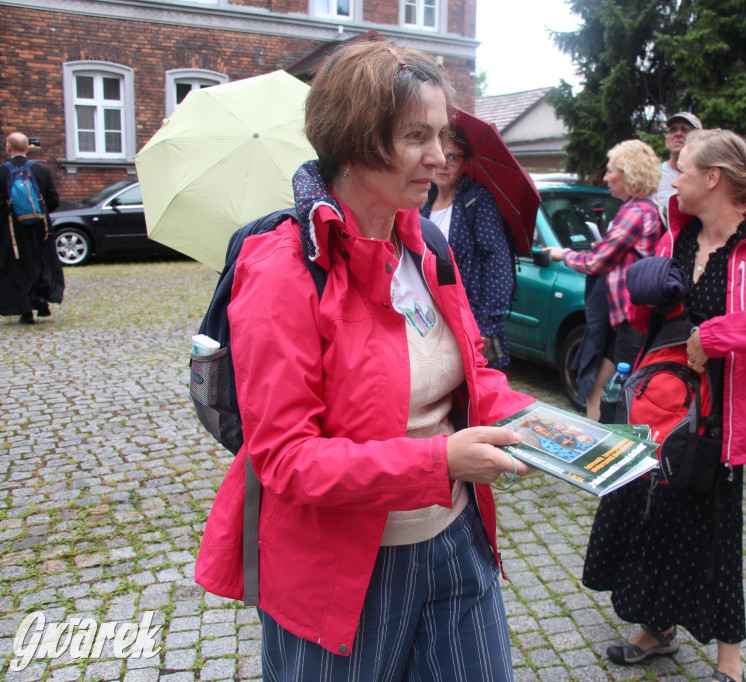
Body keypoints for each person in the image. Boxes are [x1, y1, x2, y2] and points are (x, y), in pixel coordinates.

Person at [193, 42, 537, 680]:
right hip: (342, 574)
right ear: (355, 138)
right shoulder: (284, 267)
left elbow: (473, 372)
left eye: (441, 135)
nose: (439, 157)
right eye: (416, 136)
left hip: (457, 542)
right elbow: (286, 459)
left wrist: (542, 426)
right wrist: (442, 460)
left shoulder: (426, 243)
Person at [582, 129, 746, 681]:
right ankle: (657, 628)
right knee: (652, 517)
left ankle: (729, 661)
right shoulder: (677, 239)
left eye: (682, 168)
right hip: (657, 407)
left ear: (713, 178)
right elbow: (652, 324)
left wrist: (715, 336)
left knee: (714, 533)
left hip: (718, 420)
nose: (674, 178)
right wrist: (644, 296)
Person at [543, 139, 662, 421]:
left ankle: (616, 450)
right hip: (624, 319)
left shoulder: (636, 212)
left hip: (632, 321)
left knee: (623, 392)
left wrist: (563, 255)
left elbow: (598, 262)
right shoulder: (645, 208)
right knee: (597, 382)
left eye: (611, 171)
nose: (606, 177)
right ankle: (596, 443)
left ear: (629, 172)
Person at [419, 126, 515, 367]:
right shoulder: (422, 203)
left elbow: (498, 265)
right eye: (441, 153)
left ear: (466, 162)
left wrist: (487, 325)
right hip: (431, 319)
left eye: (453, 156)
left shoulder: (477, 201)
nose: (444, 163)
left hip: (468, 319)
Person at [0, 132, 63, 324]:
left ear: (7, 148)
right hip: (40, 228)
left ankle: (24, 310)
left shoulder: (1, 171)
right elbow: (53, 201)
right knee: (41, 262)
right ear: (28, 148)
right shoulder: (42, 171)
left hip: (11, 229)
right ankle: (42, 301)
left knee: (16, 266)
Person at [655, 111, 702, 209]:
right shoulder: (653, 175)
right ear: (667, 139)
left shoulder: (706, 177)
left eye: (686, 129)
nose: (678, 133)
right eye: (673, 129)